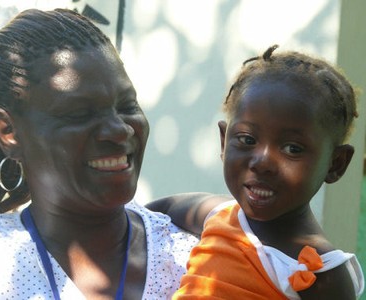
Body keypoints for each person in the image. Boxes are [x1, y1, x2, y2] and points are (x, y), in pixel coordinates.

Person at [0, 8, 211, 299]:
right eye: (80, 113)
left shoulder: (199, 259)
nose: (120, 130)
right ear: (9, 131)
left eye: (127, 107)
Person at [149, 45, 365, 299]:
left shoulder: (323, 273)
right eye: (247, 140)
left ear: (335, 163)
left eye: (292, 148)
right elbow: (138, 216)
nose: (262, 162)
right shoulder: (215, 212)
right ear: (223, 141)